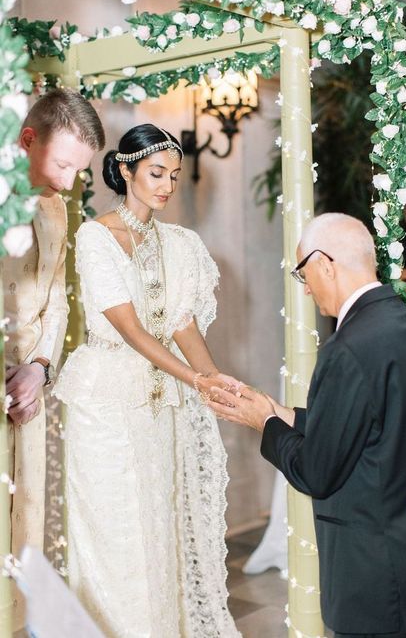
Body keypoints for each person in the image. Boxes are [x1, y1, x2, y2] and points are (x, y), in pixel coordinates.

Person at [209, 213, 406, 638]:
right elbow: (379, 427)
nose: (305, 287)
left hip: (378, 585)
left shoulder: (348, 348)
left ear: (325, 263)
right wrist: (287, 415)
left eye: (303, 273)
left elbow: (316, 472)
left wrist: (266, 423)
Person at [53, 124, 241, 638]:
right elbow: (130, 329)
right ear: (126, 169)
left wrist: (217, 380)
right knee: (117, 535)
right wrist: (196, 382)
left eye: (174, 176)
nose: (166, 185)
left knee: (159, 530)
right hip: (105, 407)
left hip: (159, 405)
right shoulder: (95, 236)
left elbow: (183, 326)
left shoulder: (180, 243)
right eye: (157, 173)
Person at [1, 88, 105, 634]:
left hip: (29, 393)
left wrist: (39, 367)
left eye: (77, 169)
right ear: (26, 140)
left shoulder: (56, 208)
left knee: (27, 523)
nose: (68, 181)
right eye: (63, 164)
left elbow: (58, 300)